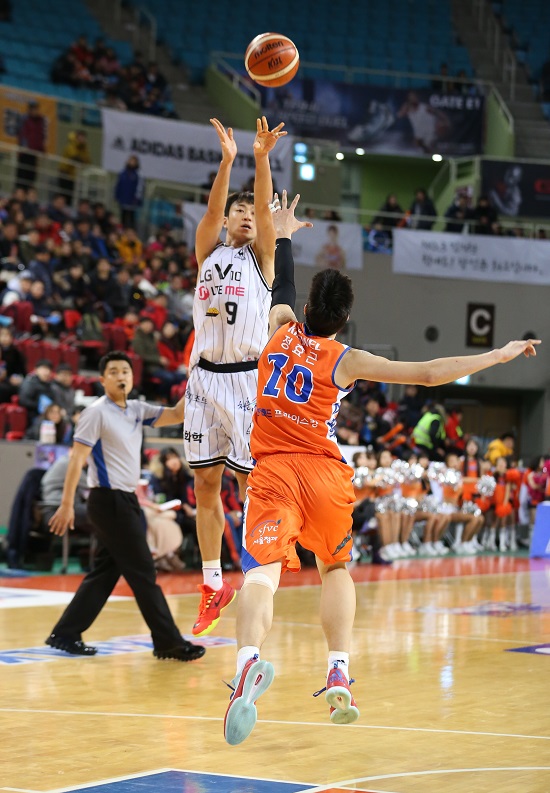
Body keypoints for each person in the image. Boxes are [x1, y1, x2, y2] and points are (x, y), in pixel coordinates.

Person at [222, 191, 540, 746]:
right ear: (344, 318)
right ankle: (338, 670)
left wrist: (287, 235)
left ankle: (249, 659)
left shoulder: (277, 328)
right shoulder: (346, 359)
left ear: (309, 309)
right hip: (323, 474)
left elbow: (282, 287)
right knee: (335, 571)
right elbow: (430, 372)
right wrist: (498, 355)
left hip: (271, 471)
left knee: (259, 577)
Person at [184, 116, 286, 638]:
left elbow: (268, 214)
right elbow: (209, 209)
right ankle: (210, 583)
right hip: (203, 379)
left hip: (246, 380)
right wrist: (227, 161)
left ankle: (255, 574)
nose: (246, 216)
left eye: (252, 211)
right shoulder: (207, 249)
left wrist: (261, 157)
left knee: (251, 486)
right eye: (239, 211)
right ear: (226, 219)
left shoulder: (262, 258)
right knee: (205, 484)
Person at [45, 350, 206, 662]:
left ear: (133, 378)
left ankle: (65, 633)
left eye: (126, 372)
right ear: (102, 378)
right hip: (107, 500)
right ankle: (167, 641)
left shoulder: (136, 409)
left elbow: (176, 414)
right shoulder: (96, 413)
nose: (121, 376)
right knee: (143, 571)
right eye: (115, 371)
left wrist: (199, 379)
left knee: (105, 571)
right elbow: (77, 459)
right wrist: (66, 505)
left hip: (126, 500)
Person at [16, 100, 46, 189]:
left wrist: (41, 149)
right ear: (29, 110)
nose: (34, 111)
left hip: (34, 154)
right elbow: (22, 134)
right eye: (32, 109)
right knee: (21, 176)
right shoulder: (24, 119)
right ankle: (19, 193)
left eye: (36, 109)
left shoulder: (40, 121)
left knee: (31, 177)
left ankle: (27, 195)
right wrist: (24, 147)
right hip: (25, 152)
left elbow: (41, 136)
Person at [114, 156, 144, 229]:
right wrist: (117, 195)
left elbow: (140, 188)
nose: (131, 162)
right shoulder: (122, 173)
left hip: (132, 201)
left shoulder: (138, 175)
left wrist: (137, 198)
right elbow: (118, 184)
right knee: (122, 217)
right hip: (123, 199)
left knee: (131, 219)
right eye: (130, 160)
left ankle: (131, 234)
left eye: (133, 161)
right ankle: (122, 233)